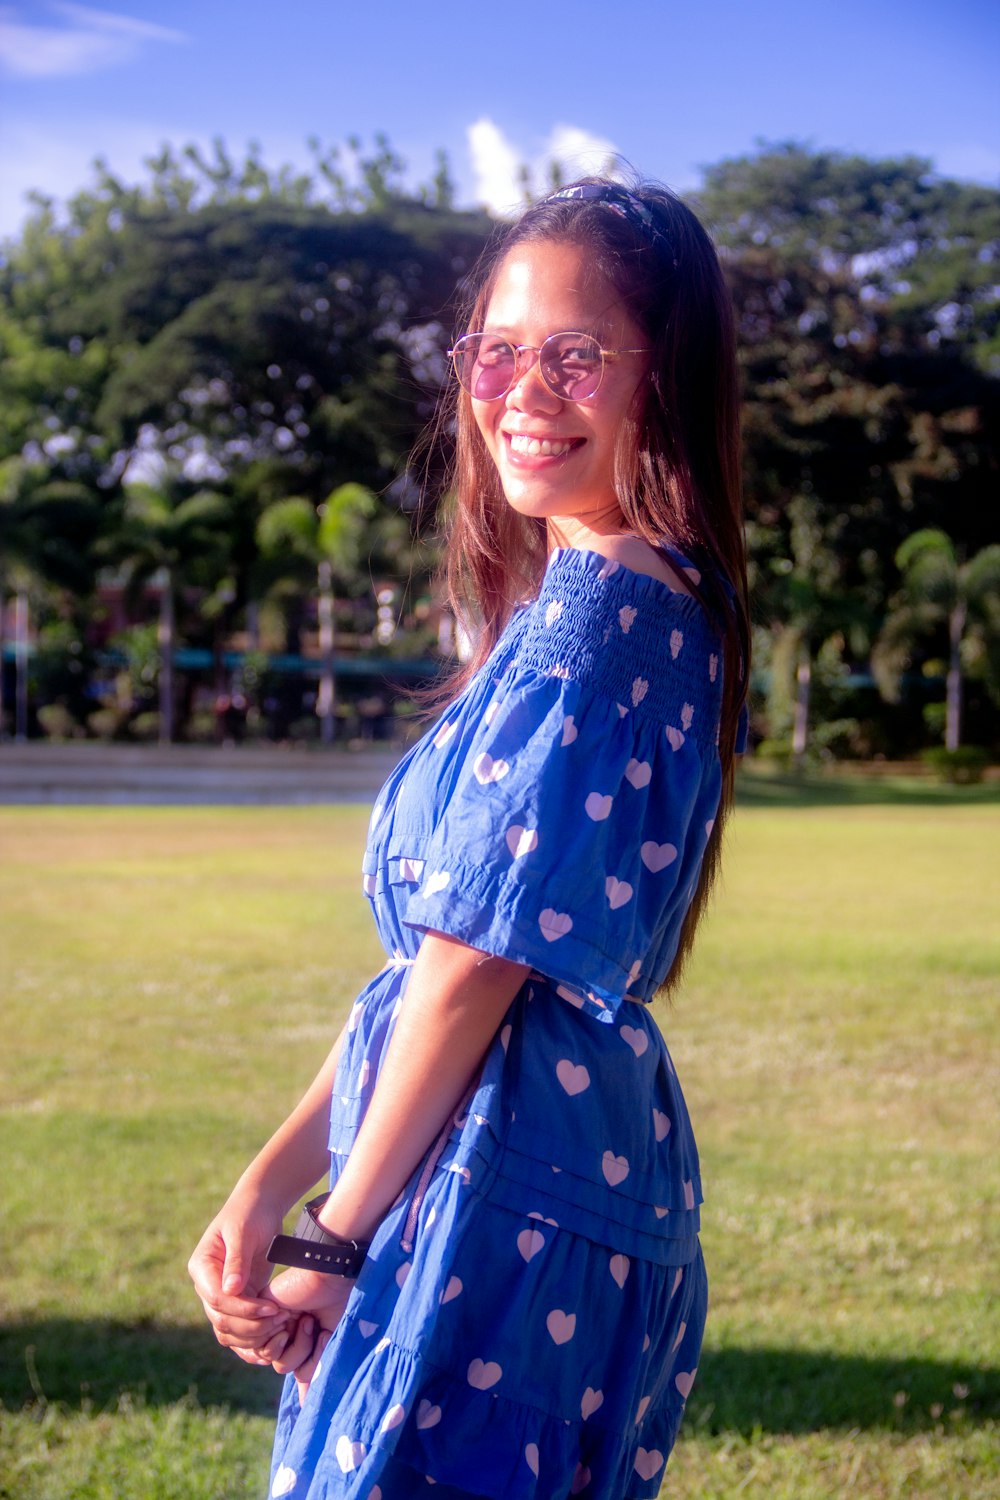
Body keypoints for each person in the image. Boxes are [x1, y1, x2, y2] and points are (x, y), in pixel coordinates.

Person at [189, 175, 750, 1500]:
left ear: (660, 379)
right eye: (498, 351)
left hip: (499, 1193)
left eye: (576, 354)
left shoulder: (605, 615)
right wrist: (275, 1179)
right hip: (533, 1169)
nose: (524, 392)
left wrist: (331, 1232)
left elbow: (470, 971)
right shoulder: (631, 599)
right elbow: (433, 971)